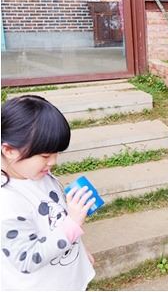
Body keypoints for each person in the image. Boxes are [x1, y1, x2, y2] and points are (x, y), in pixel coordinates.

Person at [1, 96, 96, 290]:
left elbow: (59, 219)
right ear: (9, 150)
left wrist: (79, 250)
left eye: (56, 153)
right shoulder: (6, 201)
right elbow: (26, 259)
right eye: (45, 156)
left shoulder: (38, 175)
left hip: (66, 277)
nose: (53, 162)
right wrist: (73, 223)